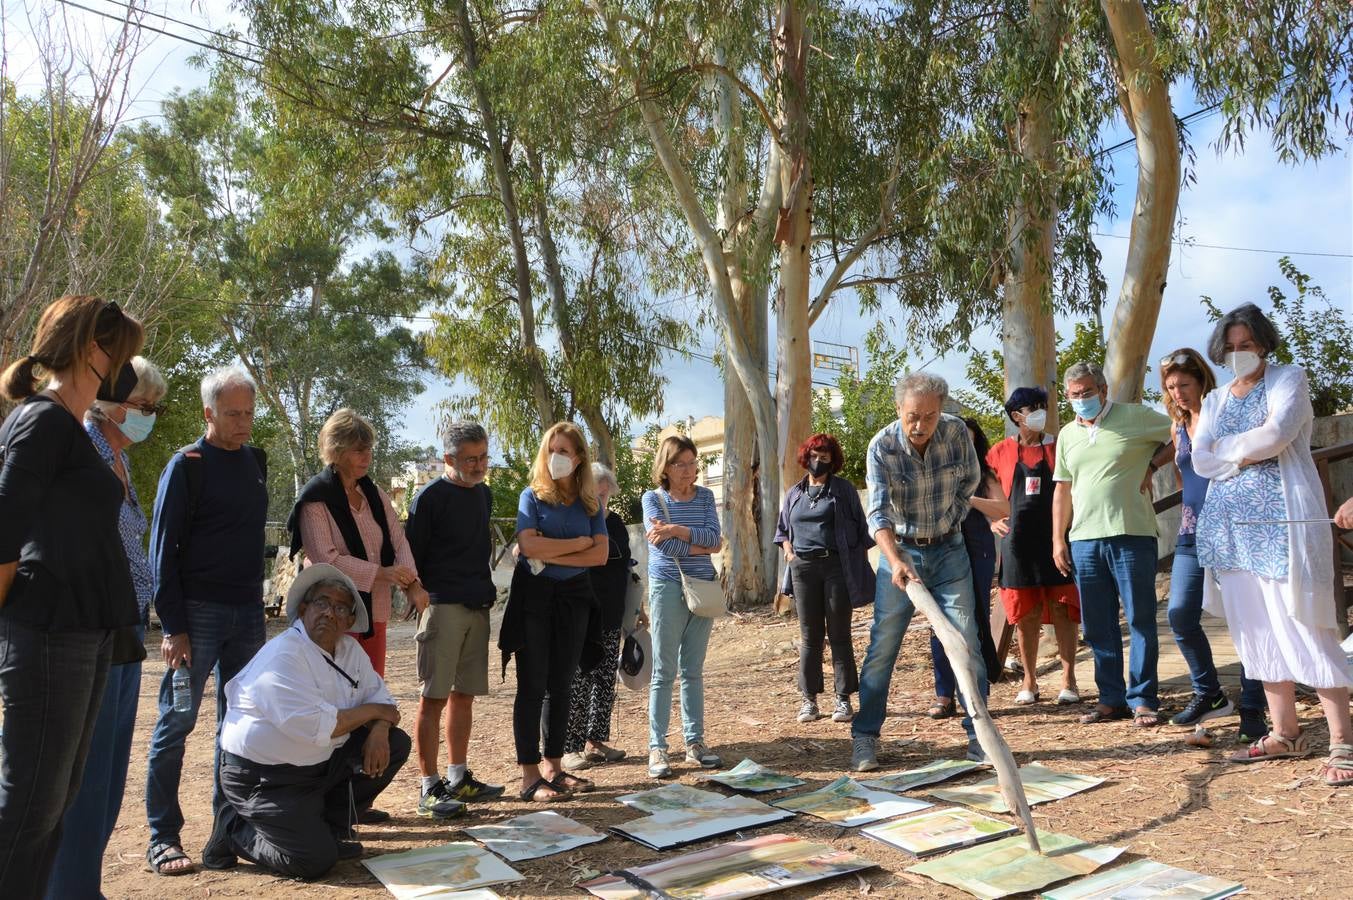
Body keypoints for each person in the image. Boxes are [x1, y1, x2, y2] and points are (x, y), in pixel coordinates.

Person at [0, 295, 144, 899]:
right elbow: (4, 532)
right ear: (93, 351)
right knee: (30, 806)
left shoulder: (76, 429)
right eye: (123, 355)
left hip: (87, 632)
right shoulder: (41, 420)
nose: (127, 371)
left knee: (54, 805)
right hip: (48, 632)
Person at [1192, 304, 1352, 786]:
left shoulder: (1289, 379)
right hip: (1231, 529)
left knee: (1305, 624)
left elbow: (1278, 435)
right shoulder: (1217, 399)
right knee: (1254, 629)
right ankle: (1285, 732)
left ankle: (1343, 740)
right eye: (1232, 347)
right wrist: (1239, 453)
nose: (1240, 354)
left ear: (1263, 343)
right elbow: (1200, 459)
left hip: (1284, 524)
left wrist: (1230, 453)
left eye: (1248, 345)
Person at [201, 564, 411, 878]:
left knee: (395, 742)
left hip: (316, 766)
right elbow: (319, 726)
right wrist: (373, 713)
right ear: (303, 609)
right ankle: (233, 829)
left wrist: (380, 728)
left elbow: (386, 705)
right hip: (264, 780)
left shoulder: (350, 650)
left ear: (350, 620)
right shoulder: (284, 655)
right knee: (313, 862)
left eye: (340, 608)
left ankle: (331, 828)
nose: (329, 613)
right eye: (321, 603)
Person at [47, 356, 167, 900]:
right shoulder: (82, 449)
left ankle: (84, 884)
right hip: (87, 633)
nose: (149, 417)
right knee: (82, 780)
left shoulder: (120, 460)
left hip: (126, 633)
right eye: (144, 406)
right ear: (112, 402)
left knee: (110, 777)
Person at [145, 365, 270, 876]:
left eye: (248, 413)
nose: (243, 423)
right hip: (195, 617)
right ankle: (162, 836)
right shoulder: (186, 465)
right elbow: (161, 554)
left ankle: (226, 835)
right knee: (177, 723)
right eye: (232, 414)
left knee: (237, 728)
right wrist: (173, 626)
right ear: (208, 413)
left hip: (248, 616)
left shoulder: (256, 461)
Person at [852, 373, 989, 772]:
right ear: (899, 410)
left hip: (950, 551)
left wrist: (952, 520)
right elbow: (876, 513)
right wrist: (895, 559)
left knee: (966, 642)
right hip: (901, 553)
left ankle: (979, 734)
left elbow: (970, 483)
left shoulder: (957, 433)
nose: (920, 425)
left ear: (940, 411)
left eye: (929, 416)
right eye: (913, 415)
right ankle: (865, 737)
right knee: (883, 647)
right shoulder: (882, 446)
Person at [1052, 361, 1173, 727]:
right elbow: (1062, 487)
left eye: (1087, 392)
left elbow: (1183, 431)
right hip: (1084, 539)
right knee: (1098, 624)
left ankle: (1143, 699)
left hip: (1131, 532)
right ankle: (1110, 699)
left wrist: (1153, 466)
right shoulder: (1067, 436)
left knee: (1139, 618)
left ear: (1103, 390)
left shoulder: (1135, 417)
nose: (1081, 399)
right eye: (1074, 395)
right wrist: (1058, 538)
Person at [1159, 348, 1266, 737]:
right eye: (1171, 387)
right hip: (1192, 530)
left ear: (1202, 380)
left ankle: (1254, 705)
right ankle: (1210, 694)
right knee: (1180, 614)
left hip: (1233, 528)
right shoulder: (1176, 426)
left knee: (1246, 617)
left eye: (1184, 384)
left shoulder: (1223, 417)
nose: (1178, 393)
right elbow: (1183, 479)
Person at [500, 422, 608, 801]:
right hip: (535, 595)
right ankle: (529, 776)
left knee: (562, 685)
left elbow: (601, 554)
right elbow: (528, 546)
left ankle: (554, 767)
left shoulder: (590, 501)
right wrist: (578, 542)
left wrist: (556, 546)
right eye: (552, 449)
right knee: (532, 684)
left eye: (564, 451)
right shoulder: (531, 496)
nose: (557, 457)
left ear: (579, 458)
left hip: (575, 596)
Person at [404, 420, 505, 817]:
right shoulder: (428, 498)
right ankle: (429, 788)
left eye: (483, 457)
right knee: (433, 698)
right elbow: (410, 557)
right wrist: (417, 592)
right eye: (470, 459)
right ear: (449, 458)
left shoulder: (485, 495)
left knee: (464, 697)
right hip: (441, 609)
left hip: (477, 607)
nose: (479, 465)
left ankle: (458, 779)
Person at [292, 408, 427, 677]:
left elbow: (398, 540)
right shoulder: (316, 499)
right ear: (337, 451)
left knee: (371, 687)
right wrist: (381, 573)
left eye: (369, 449)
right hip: (332, 614)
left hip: (374, 611)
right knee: (336, 691)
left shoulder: (373, 493)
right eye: (358, 450)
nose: (367, 457)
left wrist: (412, 584)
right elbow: (326, 560)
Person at [987, 387, 1081, 706]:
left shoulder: (1062, 445)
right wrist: (990, 521)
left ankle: (1069, 679)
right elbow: (978, 492)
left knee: (1063, 608)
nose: (1040, 412)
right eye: (1032, 408)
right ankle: (1030, 679)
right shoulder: (999, 452)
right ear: (1016, 416)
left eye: (1043, 406)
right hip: (1017, 544)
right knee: (1026, 614)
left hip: (1057, 540)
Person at [774, 433, 875, 725]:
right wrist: (789, 552)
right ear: (806, 457)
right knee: (810, 636)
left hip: (835, 568)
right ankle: (809, 700)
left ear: (833, 460)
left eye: (825, 456)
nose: (818, 461)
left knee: (839, 634)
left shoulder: (843, 490)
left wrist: (850, 560)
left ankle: (843, 699)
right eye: (814, 455)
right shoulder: (794, 493)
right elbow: (782, 531)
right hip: (802, 569)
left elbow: (861, 530)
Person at [642, 434, 724, 778]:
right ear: (666, 466)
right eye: (681, 464)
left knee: (693, 669)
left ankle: (695, 742)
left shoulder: (705, 497)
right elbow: (662, 550)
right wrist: (696, 542)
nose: (689, 470)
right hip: (667, 586)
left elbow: (715, 541)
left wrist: (676, 529)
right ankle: (657, 747)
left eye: (693, 463)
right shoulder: (653, 499)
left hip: (702, 587)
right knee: (664, 670)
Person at [562, 463, 639, 770]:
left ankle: (596, 741)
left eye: (605, 494)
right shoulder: (573, 522)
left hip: (612, 612)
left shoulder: (616, 523)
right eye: (595, 494)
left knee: (605, 679)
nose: (601, 500)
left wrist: (636, 609)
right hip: (580, 612)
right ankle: (570, 746)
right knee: (579, 680)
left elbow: (627, 566)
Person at [927, 420, 1007, 717]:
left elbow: (1004, 508)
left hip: (977, 551)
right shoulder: (934, 472)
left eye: (969, 441)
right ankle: (943, 694)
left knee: (973, 620)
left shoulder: (984, 475)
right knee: (939, 621)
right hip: (940, 551)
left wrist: (969, 498)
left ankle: (975, 693)